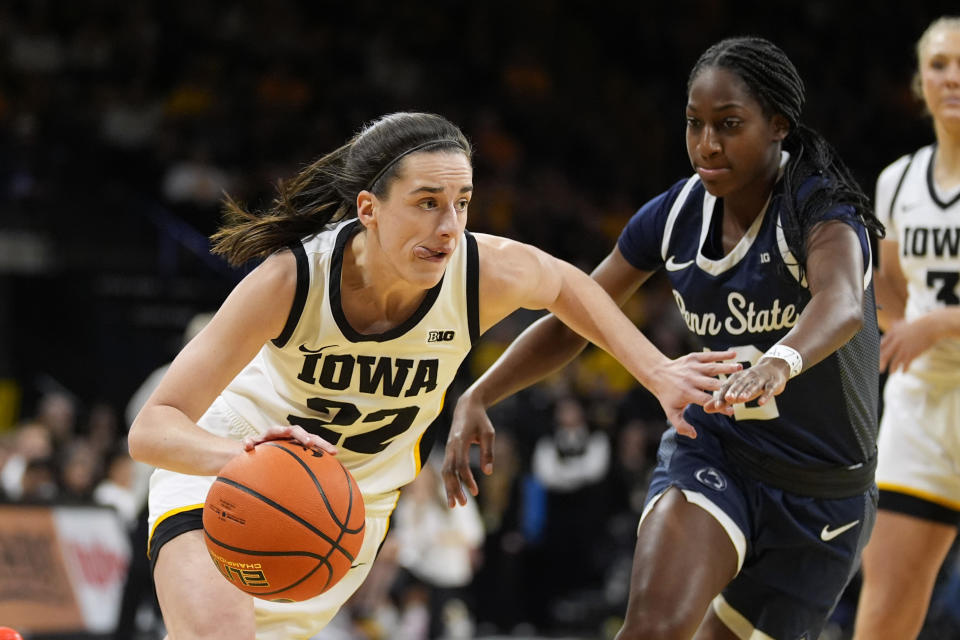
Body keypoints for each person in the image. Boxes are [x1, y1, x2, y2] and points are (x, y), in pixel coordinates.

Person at [127, 111, 739, 640]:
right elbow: (153, 427)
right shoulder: (292, 280)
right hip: (231, 469)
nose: (449, 227)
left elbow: (567, 285)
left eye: (462, 203)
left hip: (348, 504)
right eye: (427, 204)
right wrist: (239, 459)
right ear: (368, 208)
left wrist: (657, 372)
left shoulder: (479, 272)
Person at [442, 38, 885, 640]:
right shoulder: (674, 214)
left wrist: (781, 360)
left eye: (729, 125)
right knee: (651, 628)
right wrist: (480, 394)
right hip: (719, 453)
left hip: (823, 494)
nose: (707, 144)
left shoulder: (822, 209)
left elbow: (840, 304)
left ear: (778, 125)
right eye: (694, 124)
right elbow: (578, 315)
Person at [853, 17, 960, 640]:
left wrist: (941, 322)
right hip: (921, 407)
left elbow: (925, 314)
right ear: (921, 81)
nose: (952, 76)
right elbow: (889, 283)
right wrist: (898, 328)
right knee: (885, 614)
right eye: (940, 63)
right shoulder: (898, 181)